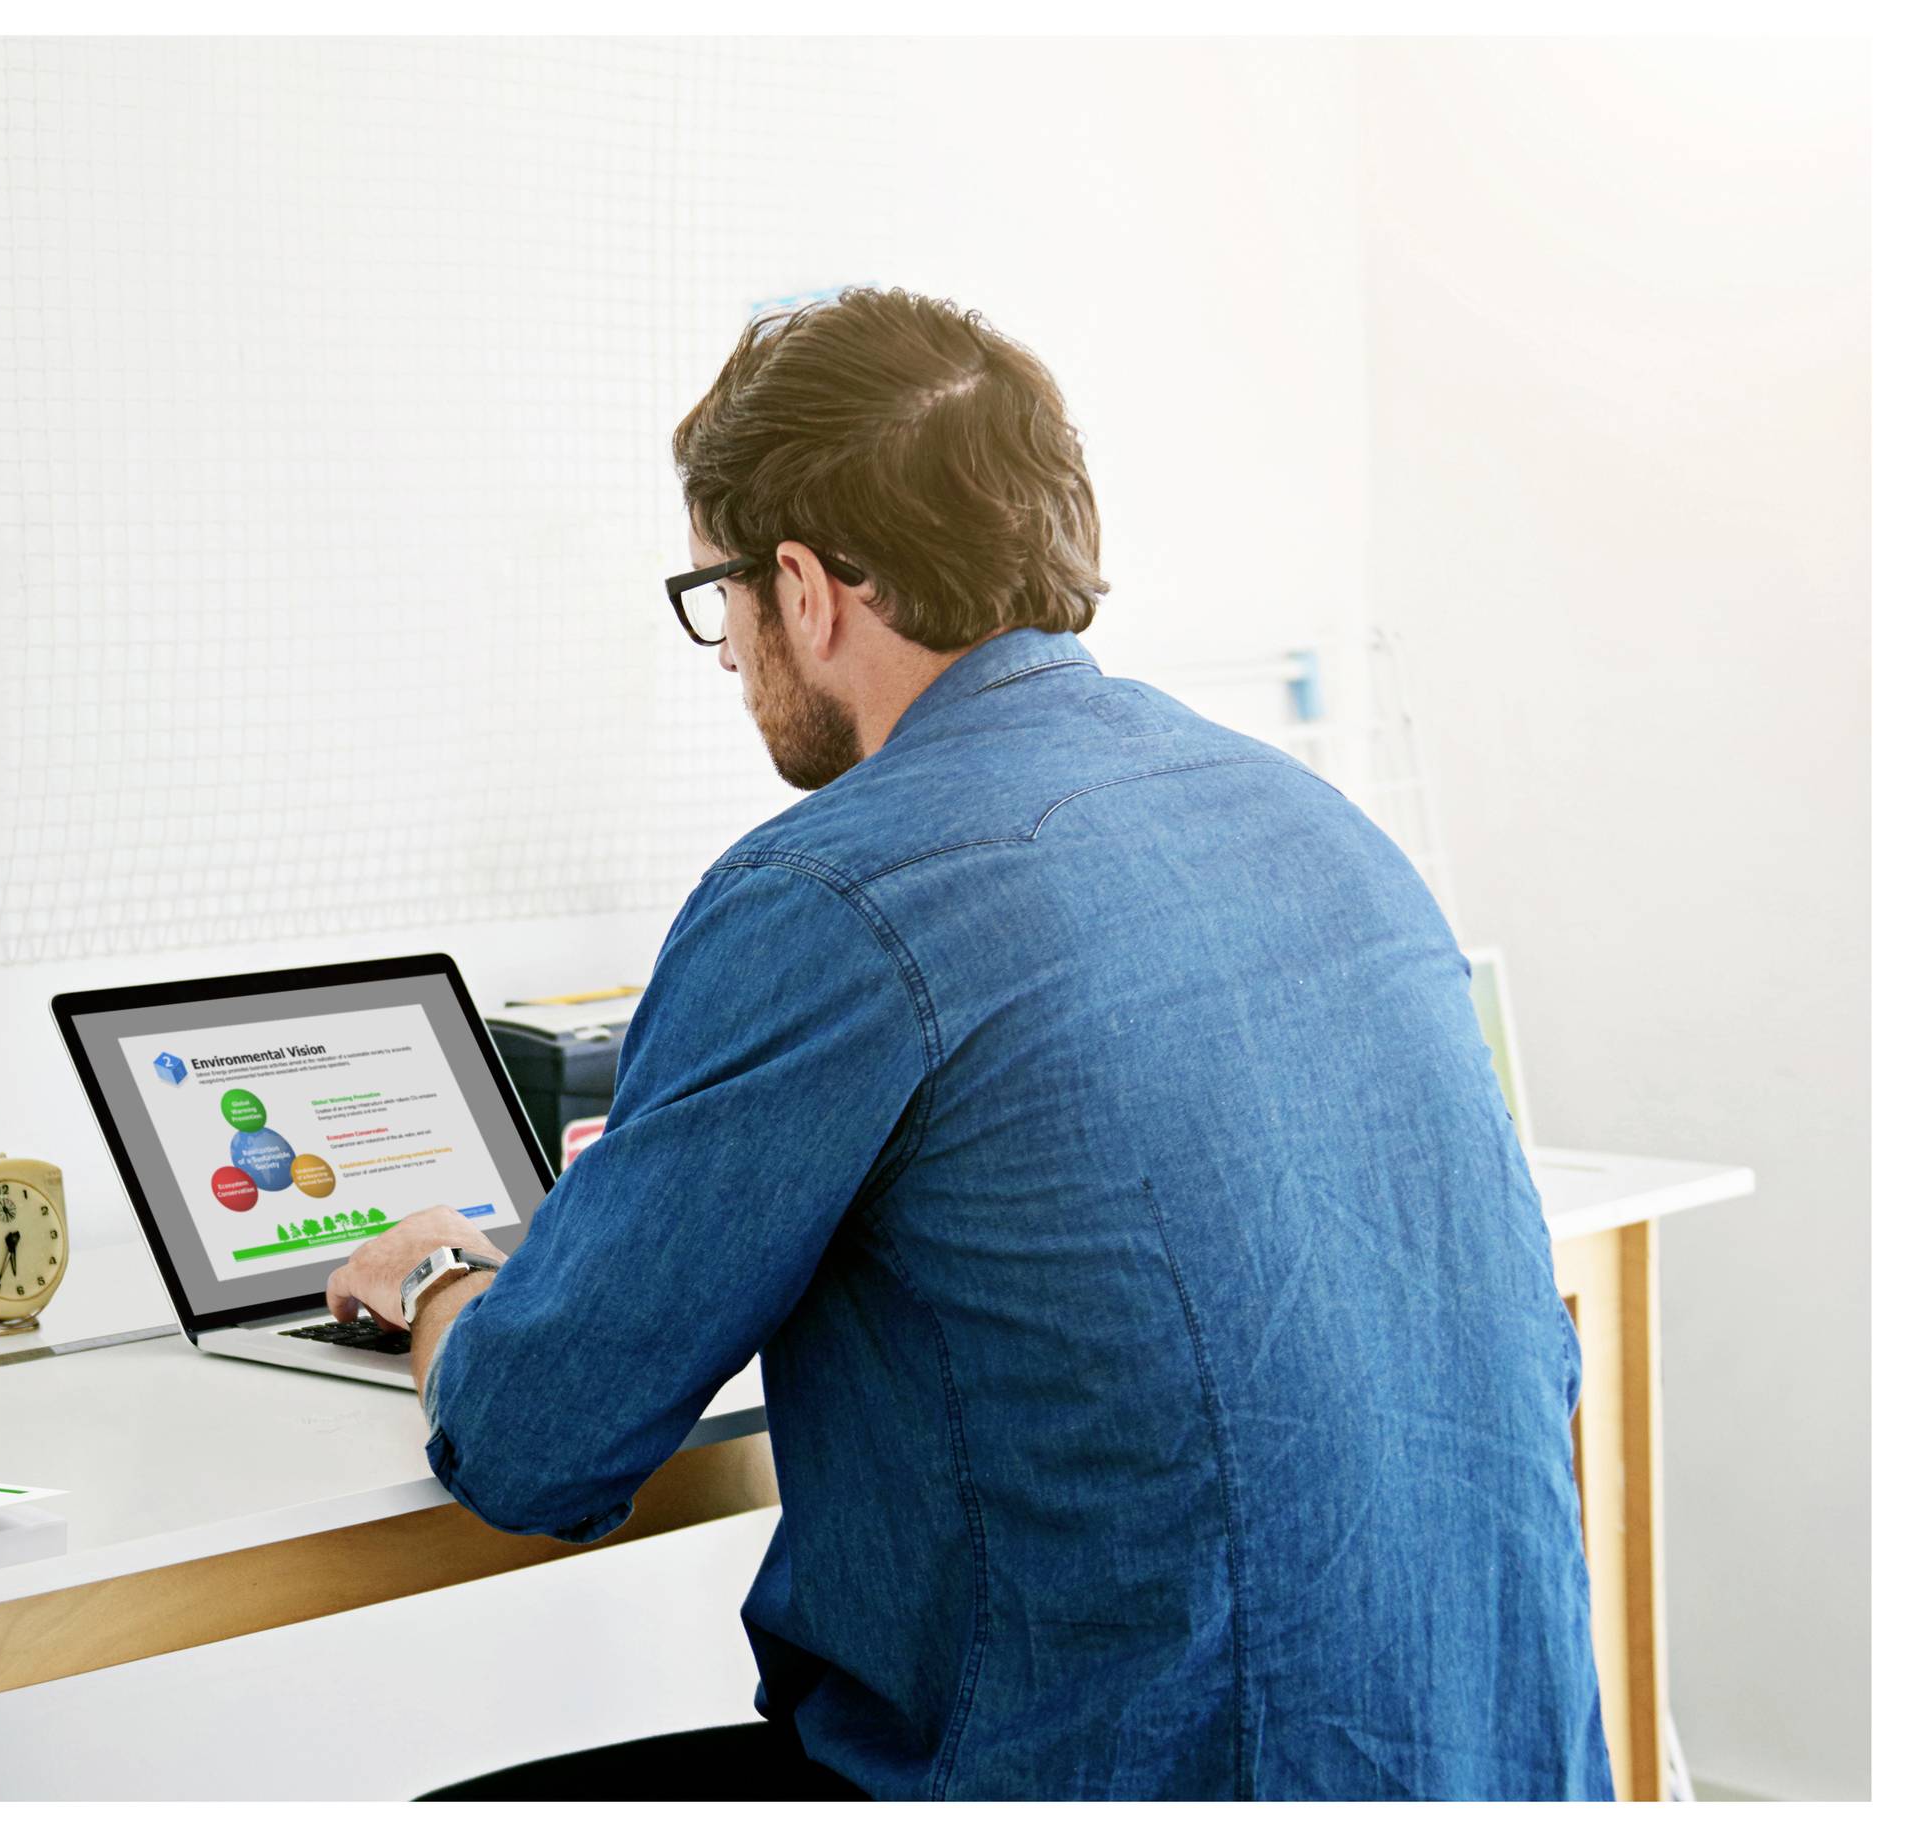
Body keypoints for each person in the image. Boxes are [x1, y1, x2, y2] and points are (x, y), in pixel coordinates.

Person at [325, 288, 1612, 1802]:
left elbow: (538, 1444)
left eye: (718, 599)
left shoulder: (831, 894)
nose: (731, 652)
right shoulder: (1326, 830)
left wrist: (434, 1280)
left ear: (802, 589)